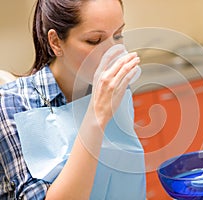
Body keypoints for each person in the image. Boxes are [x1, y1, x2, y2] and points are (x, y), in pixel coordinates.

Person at [0, 0, 141, 199]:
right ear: (56, 42)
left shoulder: (113, 87)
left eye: (118, 36)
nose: (112, 53)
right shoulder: (11, 104)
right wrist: (96, 116)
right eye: (94, 40)